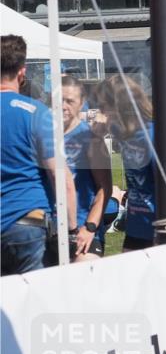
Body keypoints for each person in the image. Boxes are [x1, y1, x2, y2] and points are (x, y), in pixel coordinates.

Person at [1, 35, 77, 274]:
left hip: (18, 221)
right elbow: (62, 179)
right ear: (22, 72)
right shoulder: (37, 114)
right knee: (35, 304)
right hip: (28, 221)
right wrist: (72, 229)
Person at [92, 74, 156, 251]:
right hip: (136, 224)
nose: (101, 113)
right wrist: (96, 135)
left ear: (121, 105)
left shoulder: (151, 134)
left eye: (104, 107)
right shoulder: (121, 131)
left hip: (157, 225)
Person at [61, 76, 111, 261]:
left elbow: (105, 188)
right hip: (47, 230)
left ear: (81, 103)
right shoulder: (43, 136)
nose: (64, 106)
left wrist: (89, 227)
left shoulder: (91, 140)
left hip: (83, 231)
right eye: (59, 100)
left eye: (70, 101)